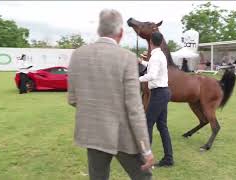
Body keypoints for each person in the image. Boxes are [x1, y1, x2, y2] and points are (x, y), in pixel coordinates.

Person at [68, 9, 154, 180]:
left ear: (99, 30)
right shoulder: (127, 57)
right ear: (120, 33)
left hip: (93, 132)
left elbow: (73, 99)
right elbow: (135, 108)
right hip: (122, 135)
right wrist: (146, 148)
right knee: (144, 177)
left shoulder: (78, 55)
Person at [138, 32, 174, 167]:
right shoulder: (160, 55)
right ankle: (168, 159)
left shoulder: (155, 57)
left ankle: (146, 159)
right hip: (164, 92)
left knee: (148, 123)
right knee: (162, 126)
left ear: (150, 42)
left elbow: (152, 75)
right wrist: (142, 62)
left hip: (159, 93)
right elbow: (153, 67)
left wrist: (136, 79)